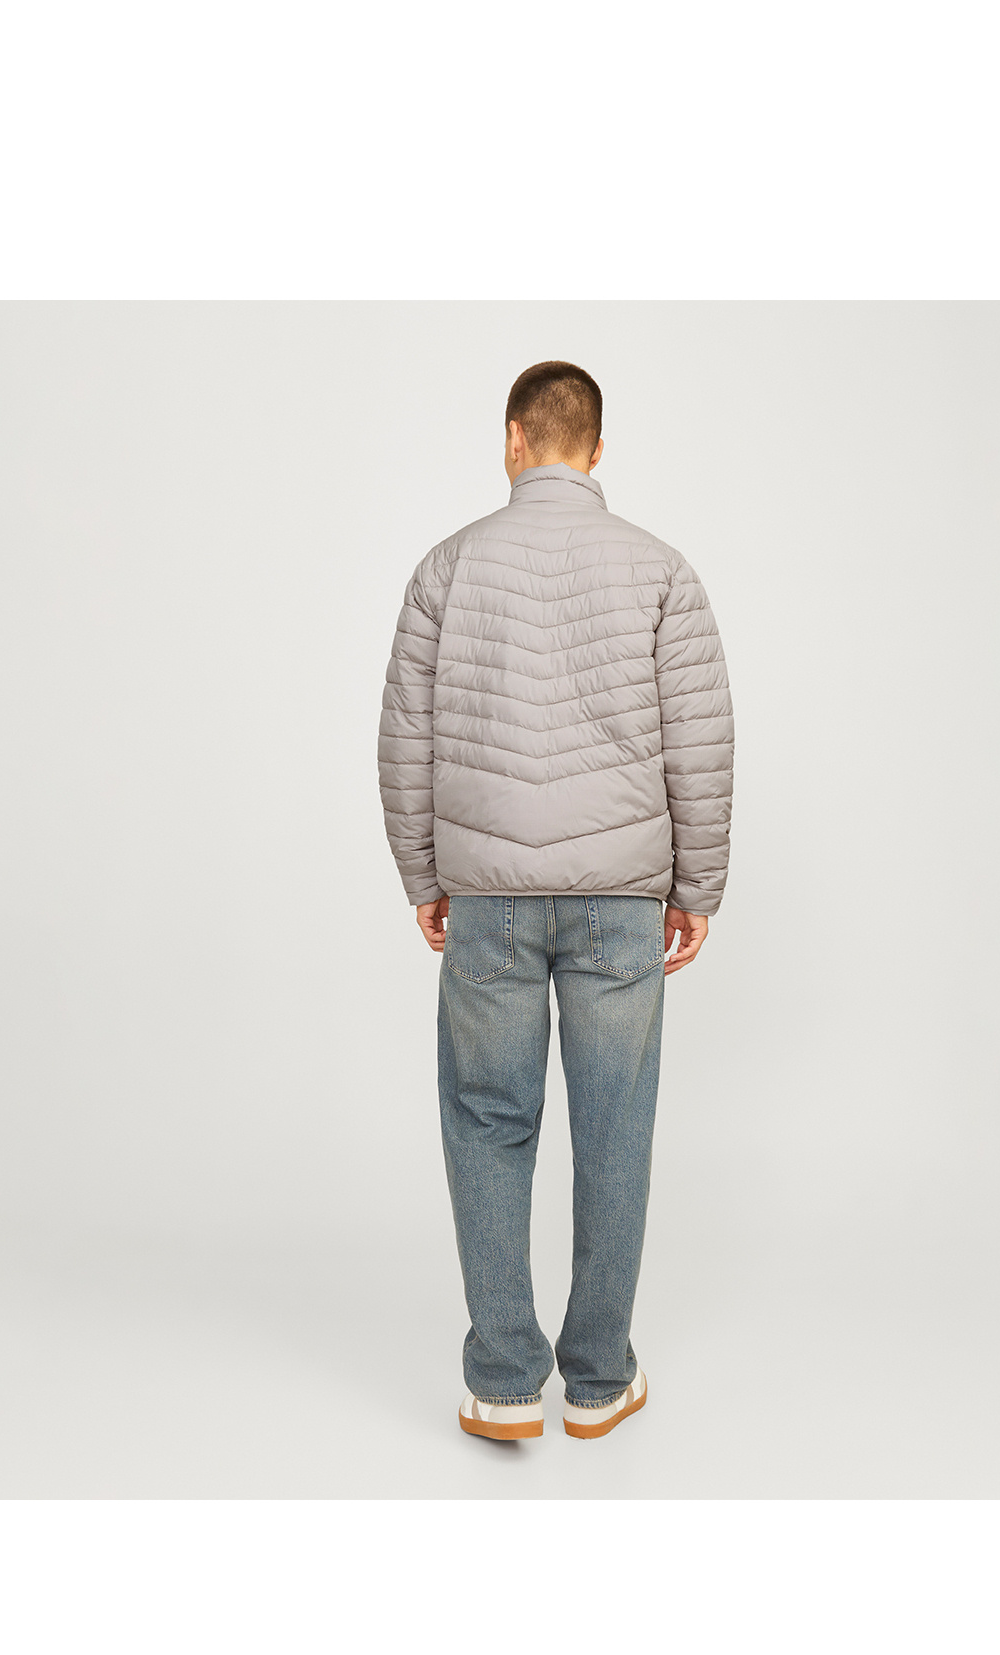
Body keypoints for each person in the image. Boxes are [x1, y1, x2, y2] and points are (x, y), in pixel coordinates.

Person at [378, 361, 733, 1441]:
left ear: (513, 440)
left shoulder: (446, 568)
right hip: (621, 902)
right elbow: (701, 738)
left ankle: (500, 1379)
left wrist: (423, 874)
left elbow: (404, 737)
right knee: (616, 1127)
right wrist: (698, 886)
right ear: (597, 450)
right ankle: (598, 1380)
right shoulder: (662, 570)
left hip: (486, 898)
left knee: (489, 1123)